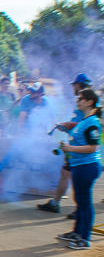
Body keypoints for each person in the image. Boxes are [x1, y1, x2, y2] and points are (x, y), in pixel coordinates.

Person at [37, 74, 91, 214]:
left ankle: (80, 209)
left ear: (79, 85)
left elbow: (87, 123)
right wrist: (65, 126)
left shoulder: (88, 102)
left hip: (81, 147)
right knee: (65, 173)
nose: (72, 87)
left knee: (76, 178)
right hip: (74, 145)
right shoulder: (82, 100)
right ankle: (56, 203)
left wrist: (68, 125)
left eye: (74, 84)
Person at [54, 88, 100, 250]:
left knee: (85, 202)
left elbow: (93, 147)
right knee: (80, 201)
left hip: (87, 166)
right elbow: (78, 137)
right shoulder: (84, 121)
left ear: (89, 102)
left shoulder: (92, 123)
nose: (77, 100)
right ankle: (77, 232)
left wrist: (70, 149)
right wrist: (65, 129)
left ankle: (84, 238)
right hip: (80, 166)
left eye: (81, 98)